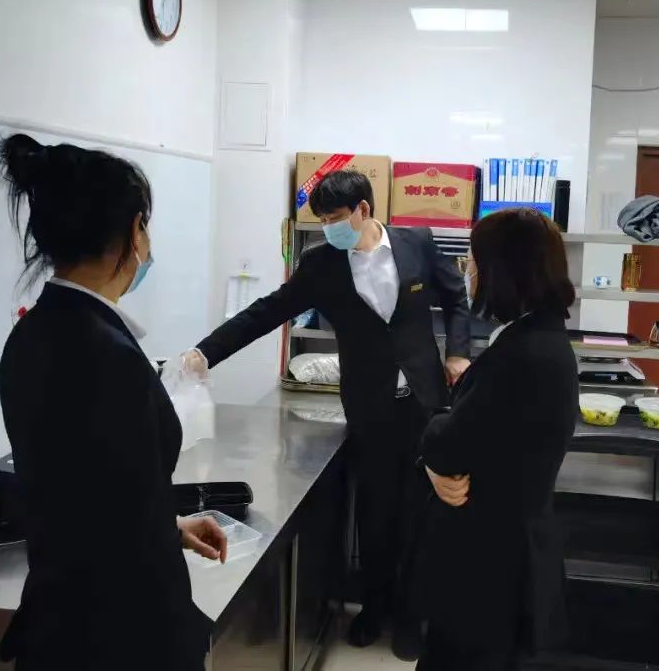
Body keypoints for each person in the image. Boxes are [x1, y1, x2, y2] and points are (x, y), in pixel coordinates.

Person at [187, 169, 471, 657]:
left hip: (425, 405)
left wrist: (458, 352)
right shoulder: (321, 264)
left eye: (335, 217)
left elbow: (456, 297)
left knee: (422, 517)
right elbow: (267, 311)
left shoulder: (417, 243)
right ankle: (374, 609)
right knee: (376, 517)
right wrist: (205, 352)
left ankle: (412, 620)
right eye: (320, 220)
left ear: (364, 209)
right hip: (371, 410)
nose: (328, 228)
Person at [0, 134, 227, 671]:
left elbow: (95, 493)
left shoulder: (31, 336)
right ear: (132, 230)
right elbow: (122, 525)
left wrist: (171, 526)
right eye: (146, 225)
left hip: (61, 621)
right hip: (122, 634)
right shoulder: (109, 354)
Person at [417, 208, 579, 671]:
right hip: (506, 546)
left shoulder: (521, 354)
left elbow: (449, 442)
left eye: (471, 261)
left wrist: (434, 447)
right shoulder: (538, 337)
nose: (466, 271)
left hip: (491, 560)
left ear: (502, 269)